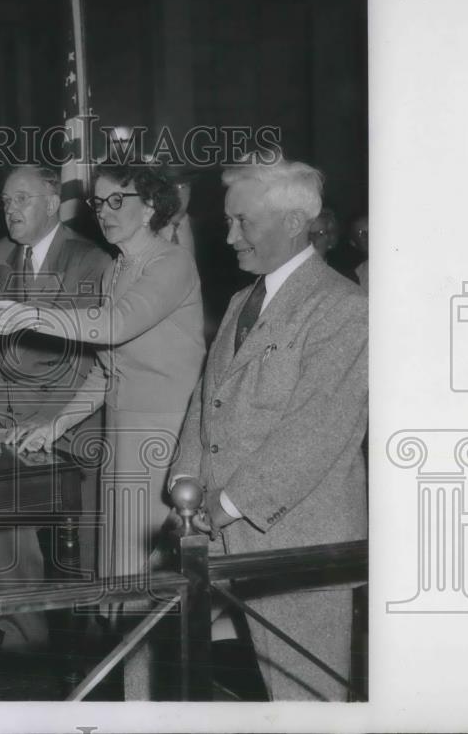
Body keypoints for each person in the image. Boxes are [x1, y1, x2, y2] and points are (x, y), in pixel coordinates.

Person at [169, 155, 368, 701]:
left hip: (297, 542)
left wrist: (224, 506)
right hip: (211, 533)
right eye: (229, 221)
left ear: (292, 221)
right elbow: (205, 402)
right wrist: (184, 491)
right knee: (155, 657)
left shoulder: (343, 309)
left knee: (304, 698)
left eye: (243, 222)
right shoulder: (242, 299)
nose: (230, 236)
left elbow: (318, 430)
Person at [0, 161, 206, 585]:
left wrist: (29, 315)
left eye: (118, 200)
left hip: (166, 435)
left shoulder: (172, 262)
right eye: (99, 202)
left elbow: (116, 323)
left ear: (152, 203)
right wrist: (56, 423)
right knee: (118, 569)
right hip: (120, 434)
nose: (105, 211)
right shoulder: (118, 268)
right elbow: (106, 370)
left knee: (151, 573)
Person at [0, 164, 110, 646]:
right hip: (15, 418)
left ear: (53, 202)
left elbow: (89, 361)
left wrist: (47, 421)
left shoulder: (89, 259)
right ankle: (24, 628)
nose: (10, 211)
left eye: (22, 200)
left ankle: (94, 633)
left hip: (74, 421)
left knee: (89, 545)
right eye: (6, 202)